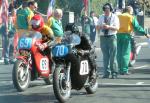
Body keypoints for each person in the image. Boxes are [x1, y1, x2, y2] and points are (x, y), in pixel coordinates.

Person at [117, 6, 149, 75]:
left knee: (119, 52)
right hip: (126, 35)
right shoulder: (130, 17)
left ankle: (119, 69)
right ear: (129, 11)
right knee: (125, 53)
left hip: (118, 35)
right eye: (132, 11)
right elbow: (137, 27)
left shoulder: (118, 16)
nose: (132, 13)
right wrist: (145, 33)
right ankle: (124, 70)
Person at [97, 3, 120, 79]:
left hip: (112, 37)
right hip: (103, 37)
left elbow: (117, 28)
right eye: (105, 9)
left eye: (108, 9)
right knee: (105, 56)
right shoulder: (101, 17)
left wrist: (109, 27)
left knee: (113, 56)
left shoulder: (114, 17)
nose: (106, 11)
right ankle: (106, 73)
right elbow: (97, 27)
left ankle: (114, 73)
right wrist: (101, 26)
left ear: (110, 9)